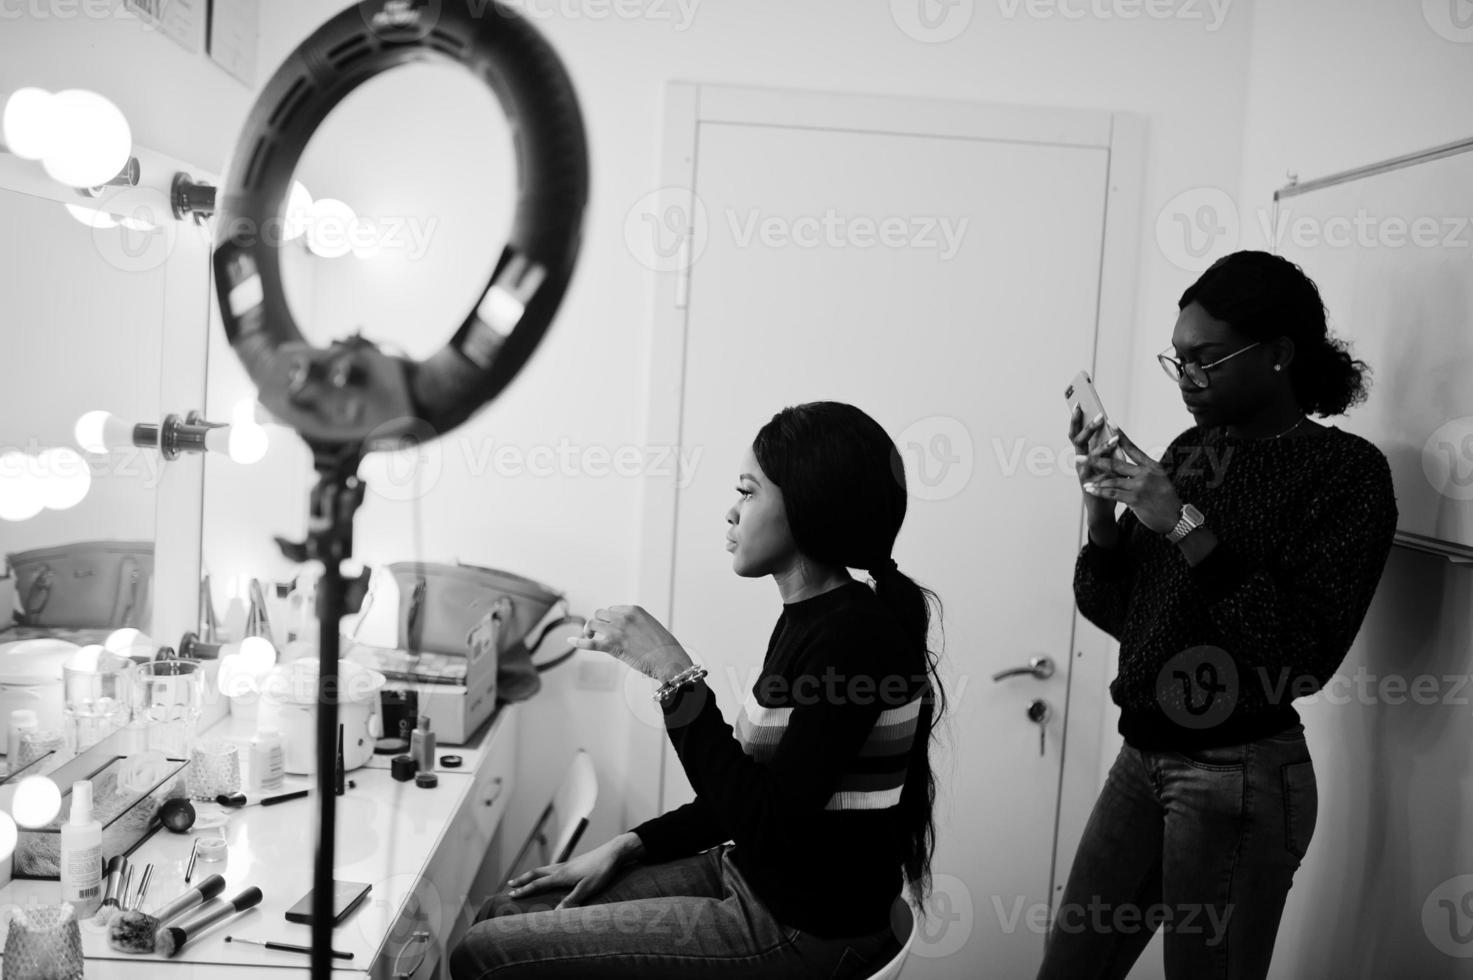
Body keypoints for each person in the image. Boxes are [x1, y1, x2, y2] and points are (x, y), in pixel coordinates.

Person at [450, 401, 945, 979]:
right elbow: (753, 796)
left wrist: (673, 673)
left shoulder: (853, 638)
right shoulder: (813, 618)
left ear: (808, 506)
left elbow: (771, 824)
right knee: (500, 911)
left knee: (483, 954)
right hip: (753, 874)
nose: (732, 513)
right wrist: (632, 843)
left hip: (802, 926)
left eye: (749, 492)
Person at [1038, 250, 1399, 980]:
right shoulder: (1192, 451)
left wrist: (1180, 523)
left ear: (1277, 355)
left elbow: (1298, 654)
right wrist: (1099, 509)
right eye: (1177, 361)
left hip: (1239, 774)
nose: (1187, 381)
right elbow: (1117, 609)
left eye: (1205, 360)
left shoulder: (1345, 474)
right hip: (1143, 759)